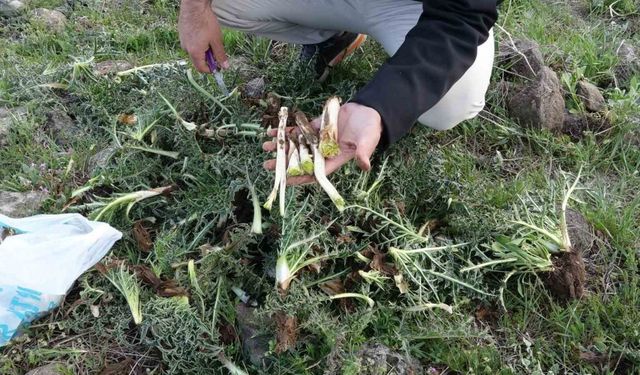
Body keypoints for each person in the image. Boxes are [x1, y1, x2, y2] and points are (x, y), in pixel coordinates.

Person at [178, 0, 498, 182]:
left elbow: (461, 15)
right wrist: (194, 7)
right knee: (214, 4)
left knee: (451, 101)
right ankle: (330, 35)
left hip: (418, 8)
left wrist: (380, 106)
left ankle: (395, 47)